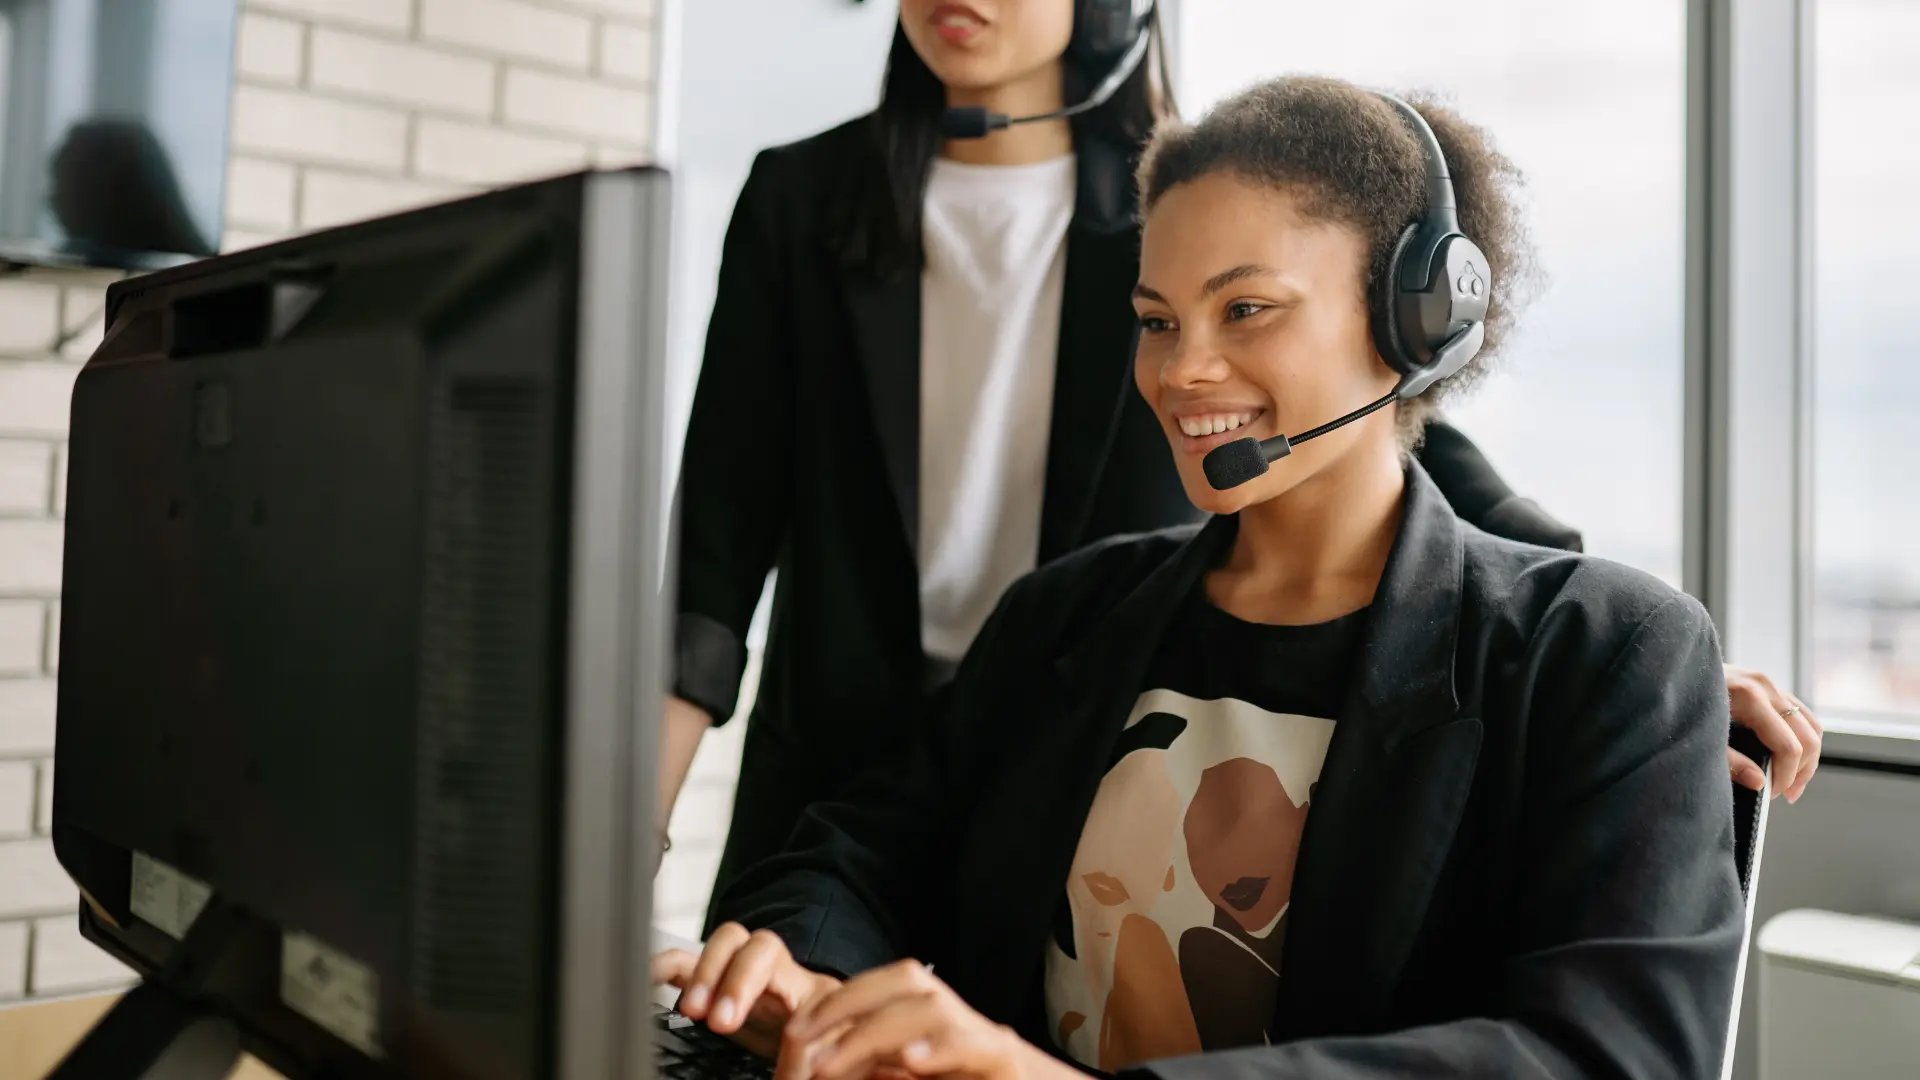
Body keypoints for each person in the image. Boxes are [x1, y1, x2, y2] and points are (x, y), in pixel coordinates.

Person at [655, 76, 1747, 1078]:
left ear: (1414, 323)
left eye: (1247, 310)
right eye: (1156, 321)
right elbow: (852, 853)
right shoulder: (1066, 616)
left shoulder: (1604, 653)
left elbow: (1613, 1054)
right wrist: (799, 969)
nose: (1181, 371)